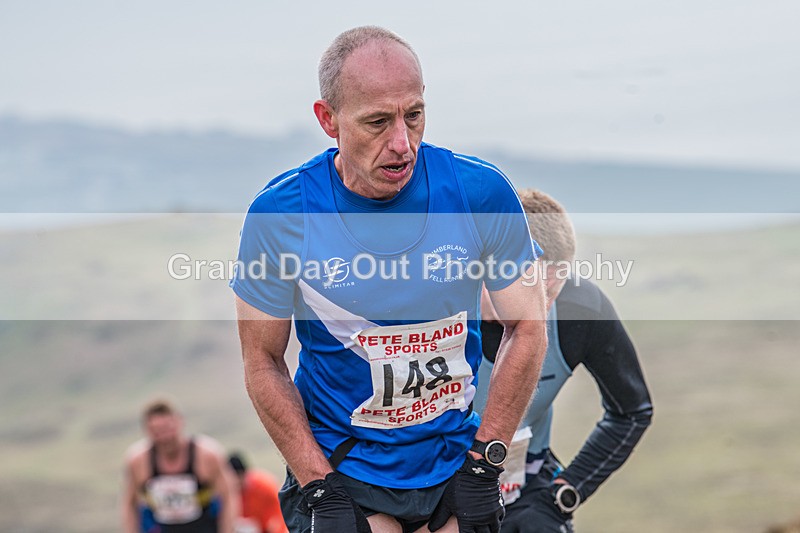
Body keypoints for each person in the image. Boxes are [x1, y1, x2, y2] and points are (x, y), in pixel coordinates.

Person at [231, 26, 549, 533]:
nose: (402, 144)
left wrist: (488, 461)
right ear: (328, 120)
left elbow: (528, 326)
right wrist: (318, 485)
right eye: (377, 122)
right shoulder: (282, 215)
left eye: (414, 115)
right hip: (345, 469)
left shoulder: (479, 192)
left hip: (455, 467)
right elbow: (262, 361)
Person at [475, 189, 654, 532]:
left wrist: (563, 495)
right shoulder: (441, 302)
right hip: (428, 493)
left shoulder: (580, 310)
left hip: (524, 493)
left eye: (508, 272)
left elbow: (632, 411)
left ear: (556, 281)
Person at [122, 399, 239, 533]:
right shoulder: (138, 461)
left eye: (167, 429)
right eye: (156, 432)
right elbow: (129, 504)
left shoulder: (207, 455)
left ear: (180, 422)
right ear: (146, 430)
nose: (164, 438)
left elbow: (229, 496)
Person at [228, 452, 289, 533]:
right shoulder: (225, 491)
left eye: (238, 480)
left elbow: (279, 516)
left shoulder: (265, 486)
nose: (236, 484)